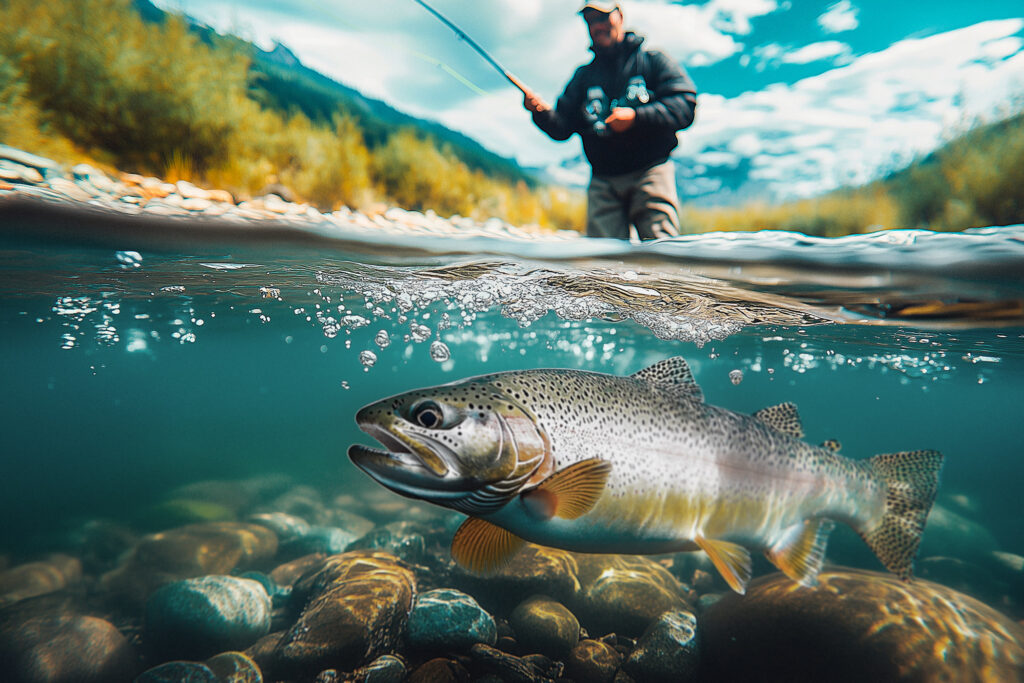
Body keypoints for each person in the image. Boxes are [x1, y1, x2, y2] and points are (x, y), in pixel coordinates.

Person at [523, 1, 697, 240]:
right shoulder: (582, 76)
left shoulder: (654, 61)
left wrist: (636, 117)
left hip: (651, 173)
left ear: (620, 16)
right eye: (591, 20)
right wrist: (540, 112)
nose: (597, 26)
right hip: (602, 181)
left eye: (603, 18)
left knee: (663, 253)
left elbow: (685, 105)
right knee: (601, 265)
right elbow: (561, 128)